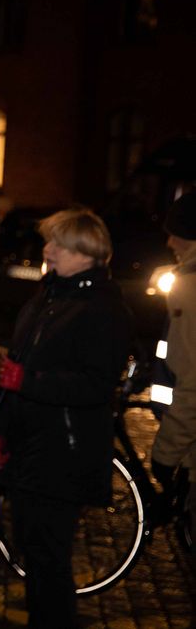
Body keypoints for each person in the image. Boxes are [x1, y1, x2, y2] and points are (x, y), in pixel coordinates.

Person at [0, 208, 131, 629]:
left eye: (57, 243)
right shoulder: (48, 296)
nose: (47, 249)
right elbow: (17, 371)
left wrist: (30, 380)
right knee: (35, 552)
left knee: (50, 558)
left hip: (64, 454)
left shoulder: (104, 308)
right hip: (31, 447)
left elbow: (96, 386)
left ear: (86, 254)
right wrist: (0, 432)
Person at [151, 192, 196, 539]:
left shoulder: (191, 287)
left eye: (175, 232)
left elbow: (192, 384)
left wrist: (165, 456)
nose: (168, 242)